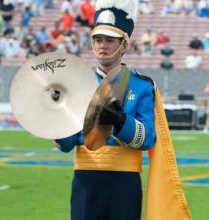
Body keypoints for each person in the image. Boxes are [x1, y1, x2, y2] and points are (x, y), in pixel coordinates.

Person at [55, 0, 191, 220]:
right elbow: (67, 143)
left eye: (110, 40)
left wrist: (121, 122)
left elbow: (148, 139)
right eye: (98, 39)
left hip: (125, 182)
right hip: (84, 180)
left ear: (125, 45)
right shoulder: (76, 83)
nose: (102, 45)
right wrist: (52, 118)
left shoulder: (142, 85)